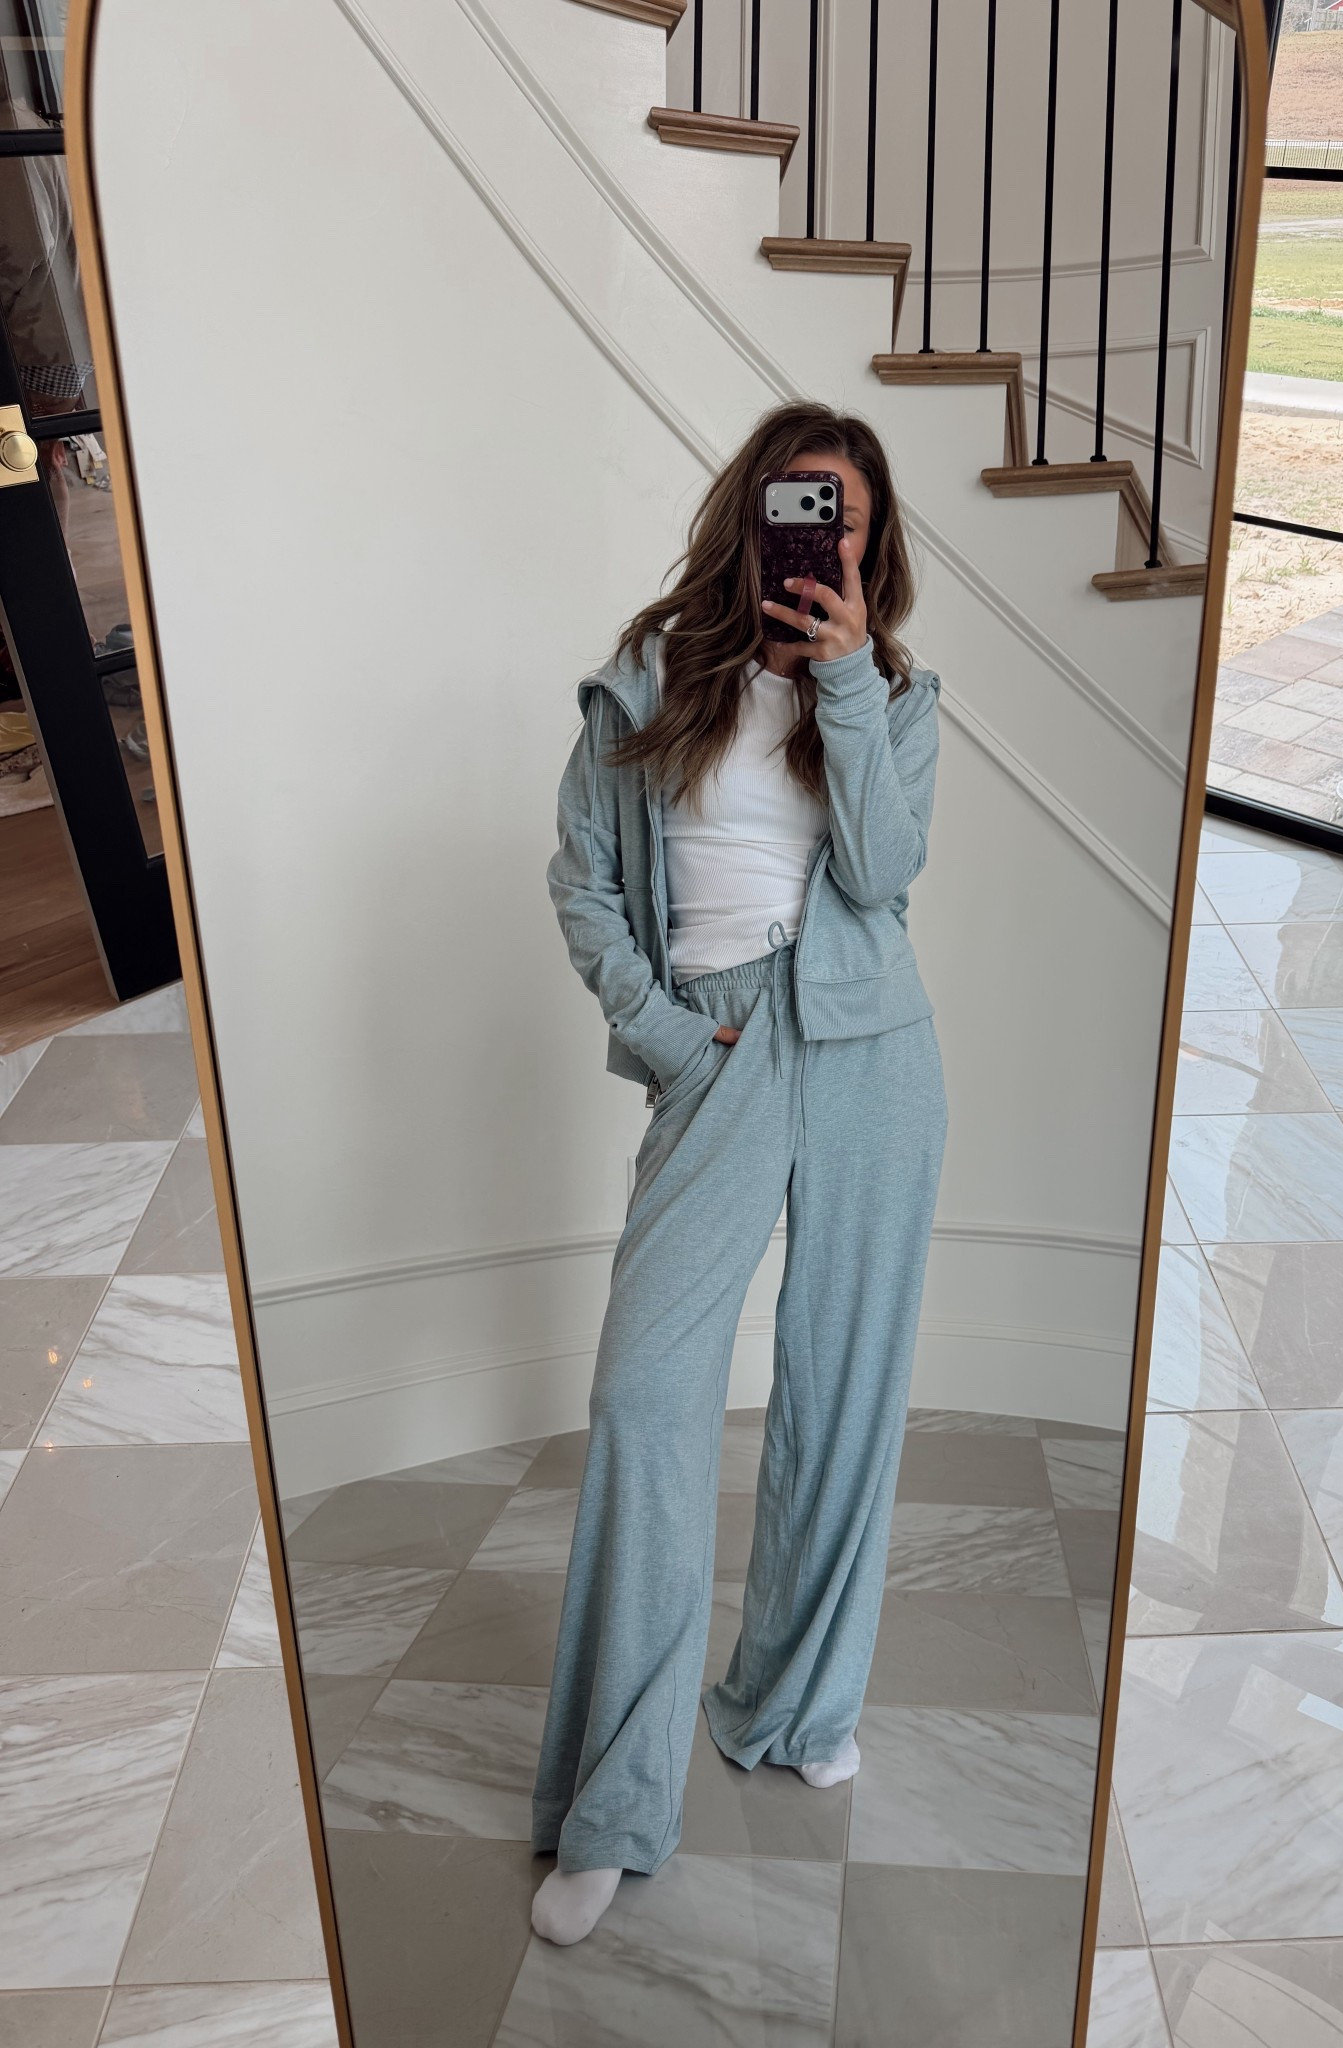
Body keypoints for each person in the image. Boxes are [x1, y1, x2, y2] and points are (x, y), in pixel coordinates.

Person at [531, 399, 947, 1945]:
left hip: (871, 1049)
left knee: (843, 1395)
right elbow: (584, 878)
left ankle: (792, 1706)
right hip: (718, 1042)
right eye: (797, 510)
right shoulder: (650, 675)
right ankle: (613, 1803)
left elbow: (883, 874)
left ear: (870, 546)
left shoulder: (893, 698)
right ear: (750, 519)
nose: (819, 543)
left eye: (846, 521)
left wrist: (844, 677)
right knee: (648, 1398)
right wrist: (662, 1033)